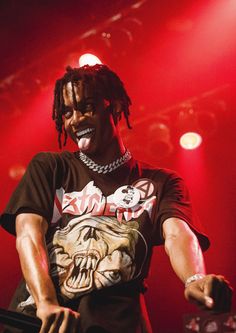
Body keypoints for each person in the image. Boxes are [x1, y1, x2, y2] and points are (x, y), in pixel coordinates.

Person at [0, 64, 232, 333]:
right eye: (67, 112)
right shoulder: (50, 167)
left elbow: (177, 235)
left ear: (116, 108)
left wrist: (194, 279)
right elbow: (28, 235)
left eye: (87, 107)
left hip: (114, 325)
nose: (75, 120)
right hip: (40, 323)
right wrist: (47, 303)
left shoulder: (161, 182)